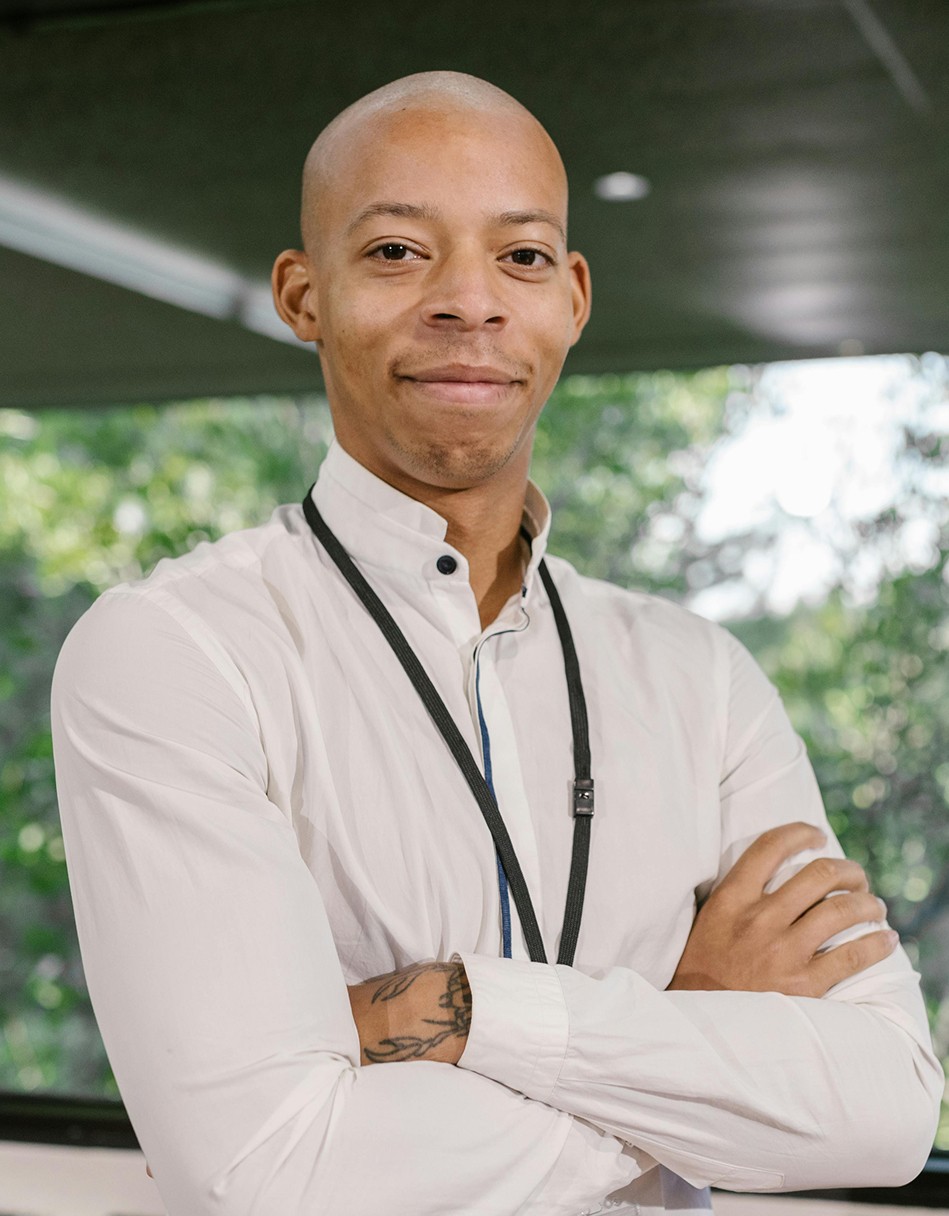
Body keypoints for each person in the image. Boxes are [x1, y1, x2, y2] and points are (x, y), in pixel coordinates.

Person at [51, 71, 941, 1215]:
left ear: (572, 297)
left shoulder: (700, 678)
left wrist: (467, 1011)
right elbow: (269, 1174)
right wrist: (688, 1019)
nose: (468, 302)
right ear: (303, 295)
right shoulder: (176, 651)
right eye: (396, 252)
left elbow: (886, 1108)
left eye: (520, 256)